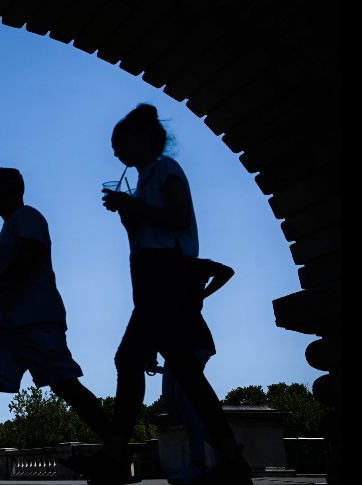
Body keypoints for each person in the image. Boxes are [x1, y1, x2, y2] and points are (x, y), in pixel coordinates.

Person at [66, 104, 251, 485]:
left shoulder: (166, 170)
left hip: (165, 278)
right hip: (157, 280)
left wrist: (132, 205)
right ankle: (232, 461)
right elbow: (152, 233)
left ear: (144, 140)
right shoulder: (150, 176)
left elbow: (179, 219)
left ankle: (114, 456)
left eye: (120, 144)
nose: (116, 152)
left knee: (129, 359)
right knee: (184, 371)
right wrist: (128, 214)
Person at [0, 167, 112, 485]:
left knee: (66, 386)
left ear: (10, 190)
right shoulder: (13, 224)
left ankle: (117, 453)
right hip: (13, 325)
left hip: (36, 319)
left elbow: (29, 258)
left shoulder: (27, 217)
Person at [146, 257, 235, 484]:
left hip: (194, 343)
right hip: (174, 347)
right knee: (172, 404)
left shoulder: (191, 264)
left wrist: (203, 294)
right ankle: (223, 445)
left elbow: (227, 271)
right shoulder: (157, 272)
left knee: (187, 401)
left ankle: (198, 463)